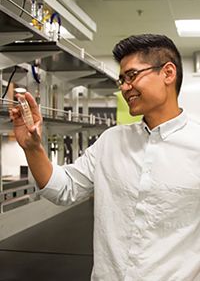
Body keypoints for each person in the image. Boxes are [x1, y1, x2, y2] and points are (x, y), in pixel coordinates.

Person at [10, 34, 200, 281]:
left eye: (132, 76)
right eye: (121, 80)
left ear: (168, 73)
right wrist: (32, 148)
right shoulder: (111, 141)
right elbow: (64, 189)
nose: (124, 87)